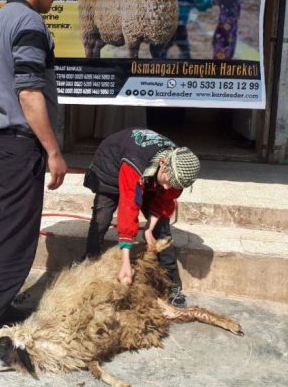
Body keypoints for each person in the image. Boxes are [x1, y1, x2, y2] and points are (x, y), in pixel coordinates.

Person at [0, 0, 68, 347]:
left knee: (7, 229)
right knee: (17, 236)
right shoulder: (29, 22)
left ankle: (1, 303)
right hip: (16, 145)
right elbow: (29, 93)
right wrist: (55, 152)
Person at [82, 128, 200, 307]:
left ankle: (172, 285)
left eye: (173, 184)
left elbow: (164, 201)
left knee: (162, 229)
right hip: (111, 167)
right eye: (168, 180)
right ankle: (88, 262)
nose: (168, 187)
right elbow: (128, 207)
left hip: (148, 176)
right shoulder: (135, 163)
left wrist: (149, 228)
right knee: (102, 217)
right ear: (162, 163)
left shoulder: (177, 172)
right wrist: (125, 263)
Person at [150, 0, 219, 60]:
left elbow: (201, 6)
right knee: (162, 50)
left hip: (181, 27)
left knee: (185, 50)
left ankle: (185, 65)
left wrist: (212, 2)